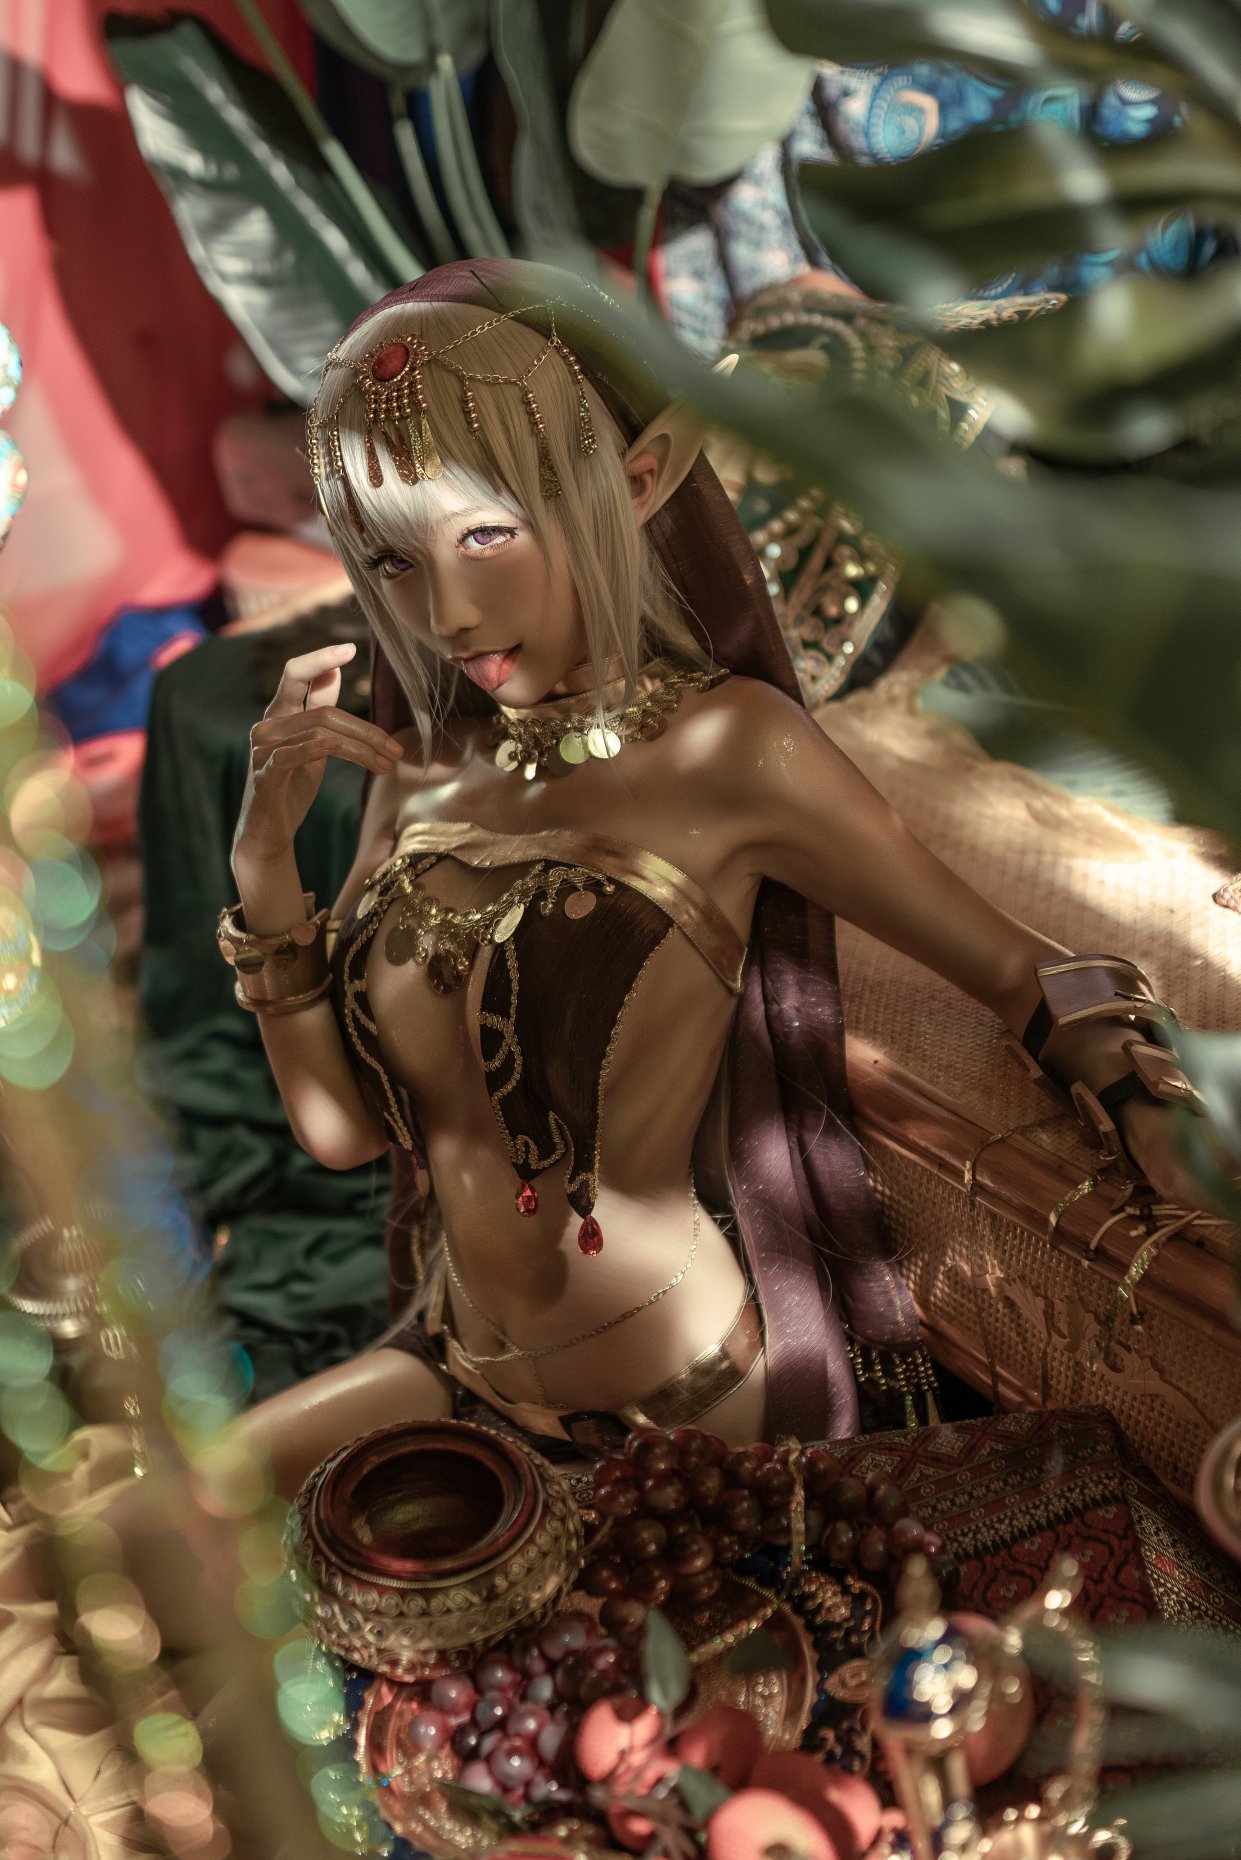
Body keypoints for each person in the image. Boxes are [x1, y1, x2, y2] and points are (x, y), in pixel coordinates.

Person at [223, 261, 1208, 1494]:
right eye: (394, 562)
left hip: (682, 1415)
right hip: (457, 1363)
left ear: (636, 483)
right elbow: (341, 1133)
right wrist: (262, 863)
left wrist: (1149, 1105)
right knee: (117, 1537)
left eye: (485, 534)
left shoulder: (732, 751)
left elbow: (1018, 969)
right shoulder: (414, 775)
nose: (449, 614)